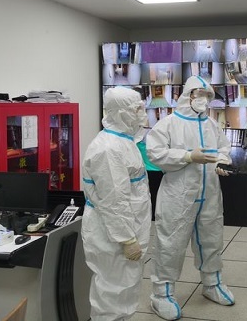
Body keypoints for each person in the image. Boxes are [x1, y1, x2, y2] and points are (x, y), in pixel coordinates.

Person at [146, 75, 234, 321]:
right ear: (187, 95)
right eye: (198, 94)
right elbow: (155, 153)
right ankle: (161, 294)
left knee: (211, 238)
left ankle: (212, 283)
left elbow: (223, 148)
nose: (203, 99)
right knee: (171, 243)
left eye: (207, 95)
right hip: (178, 194)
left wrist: (222, 162)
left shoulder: (211, 124)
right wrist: (186, 156)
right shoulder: (168, 124)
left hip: (210, 193)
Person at [81, 86, 151, 321]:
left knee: (124, 289)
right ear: (121, 113)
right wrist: (127, 239)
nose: (142, 113)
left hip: (123, 228)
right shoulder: (109, 149)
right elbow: (114, 201)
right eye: (137, 109)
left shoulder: (123, 141)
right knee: (113, 293)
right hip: (113, 235)